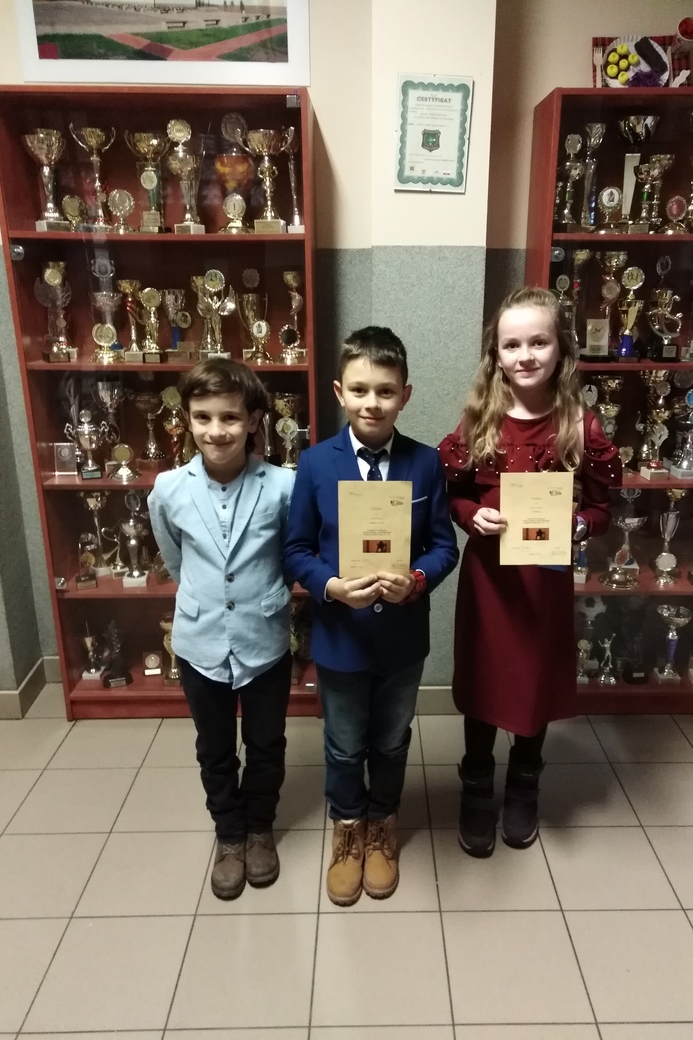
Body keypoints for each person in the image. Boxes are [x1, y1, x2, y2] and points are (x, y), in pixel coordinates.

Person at [438, 287, 621, 859]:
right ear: (495, 354)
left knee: (533, 683)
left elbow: (602, 508)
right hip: (490, 583)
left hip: (543, 584)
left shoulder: (581, 427)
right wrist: (471, 516)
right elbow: (451, 494)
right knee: (484, 679)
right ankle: (475, 785)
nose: (525, 355)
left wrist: (579, 526)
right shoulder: (479, 422)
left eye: (538, 342)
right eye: (511, 345)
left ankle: (524, 784)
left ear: (560, 347)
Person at [284, 326, 458, 905]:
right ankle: (347, 827)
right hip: (341, 636)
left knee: (390, 740)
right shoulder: (315, 463)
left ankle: (382, 822)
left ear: (404, 395)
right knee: (342, 743)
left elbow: (443, 546)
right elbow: (296, 550)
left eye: (385, 391)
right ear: (340, 392)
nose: (372, 403)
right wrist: (331, 587)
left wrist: (418, 580)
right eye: (359, 390)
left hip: (402, 639)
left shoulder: (425, 463)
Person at [148, 358, 294, 900]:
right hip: (199, 639)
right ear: (187, 419)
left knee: (266, 742)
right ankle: (229, 834)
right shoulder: (168, 489)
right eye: (203, 417)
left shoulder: (283, 486)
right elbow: (174, 556)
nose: (216, 430)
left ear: (253, 420)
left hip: (264, 638)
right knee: (214, 747)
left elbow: (291, 553)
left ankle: (260, 828)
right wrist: (206, 596)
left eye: (230, 417)